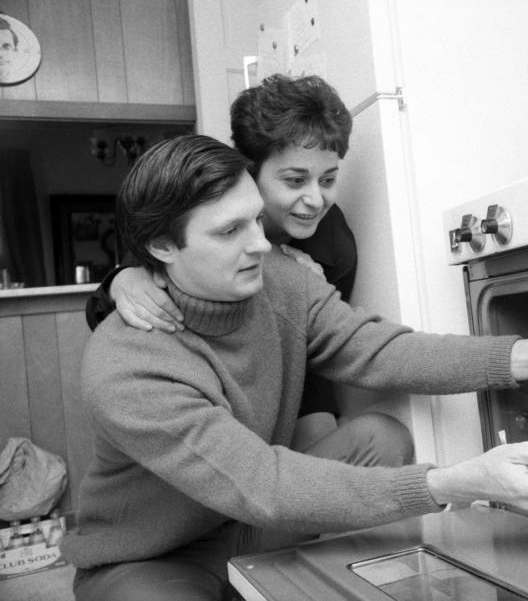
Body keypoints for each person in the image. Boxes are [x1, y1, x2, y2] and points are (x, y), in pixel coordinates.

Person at [61, 134, 528, 601]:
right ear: (161, 246)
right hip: (154, 555)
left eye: (257, 220)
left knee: (379, 437)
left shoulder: (280, 281)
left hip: (249, 527)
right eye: (230, 231)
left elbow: (380, 349)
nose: (260, 244)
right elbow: (262, 480)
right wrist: (458, 482)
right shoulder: (127, 365)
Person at [86, 74, 356, 419]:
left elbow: (324, 352)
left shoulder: (335, 249)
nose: (315, 200)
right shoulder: (195, 210)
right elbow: (102, 313)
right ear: (249, 171)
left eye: (329, 180)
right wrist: (123, 280)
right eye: (295, 180)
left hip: (285, 389)